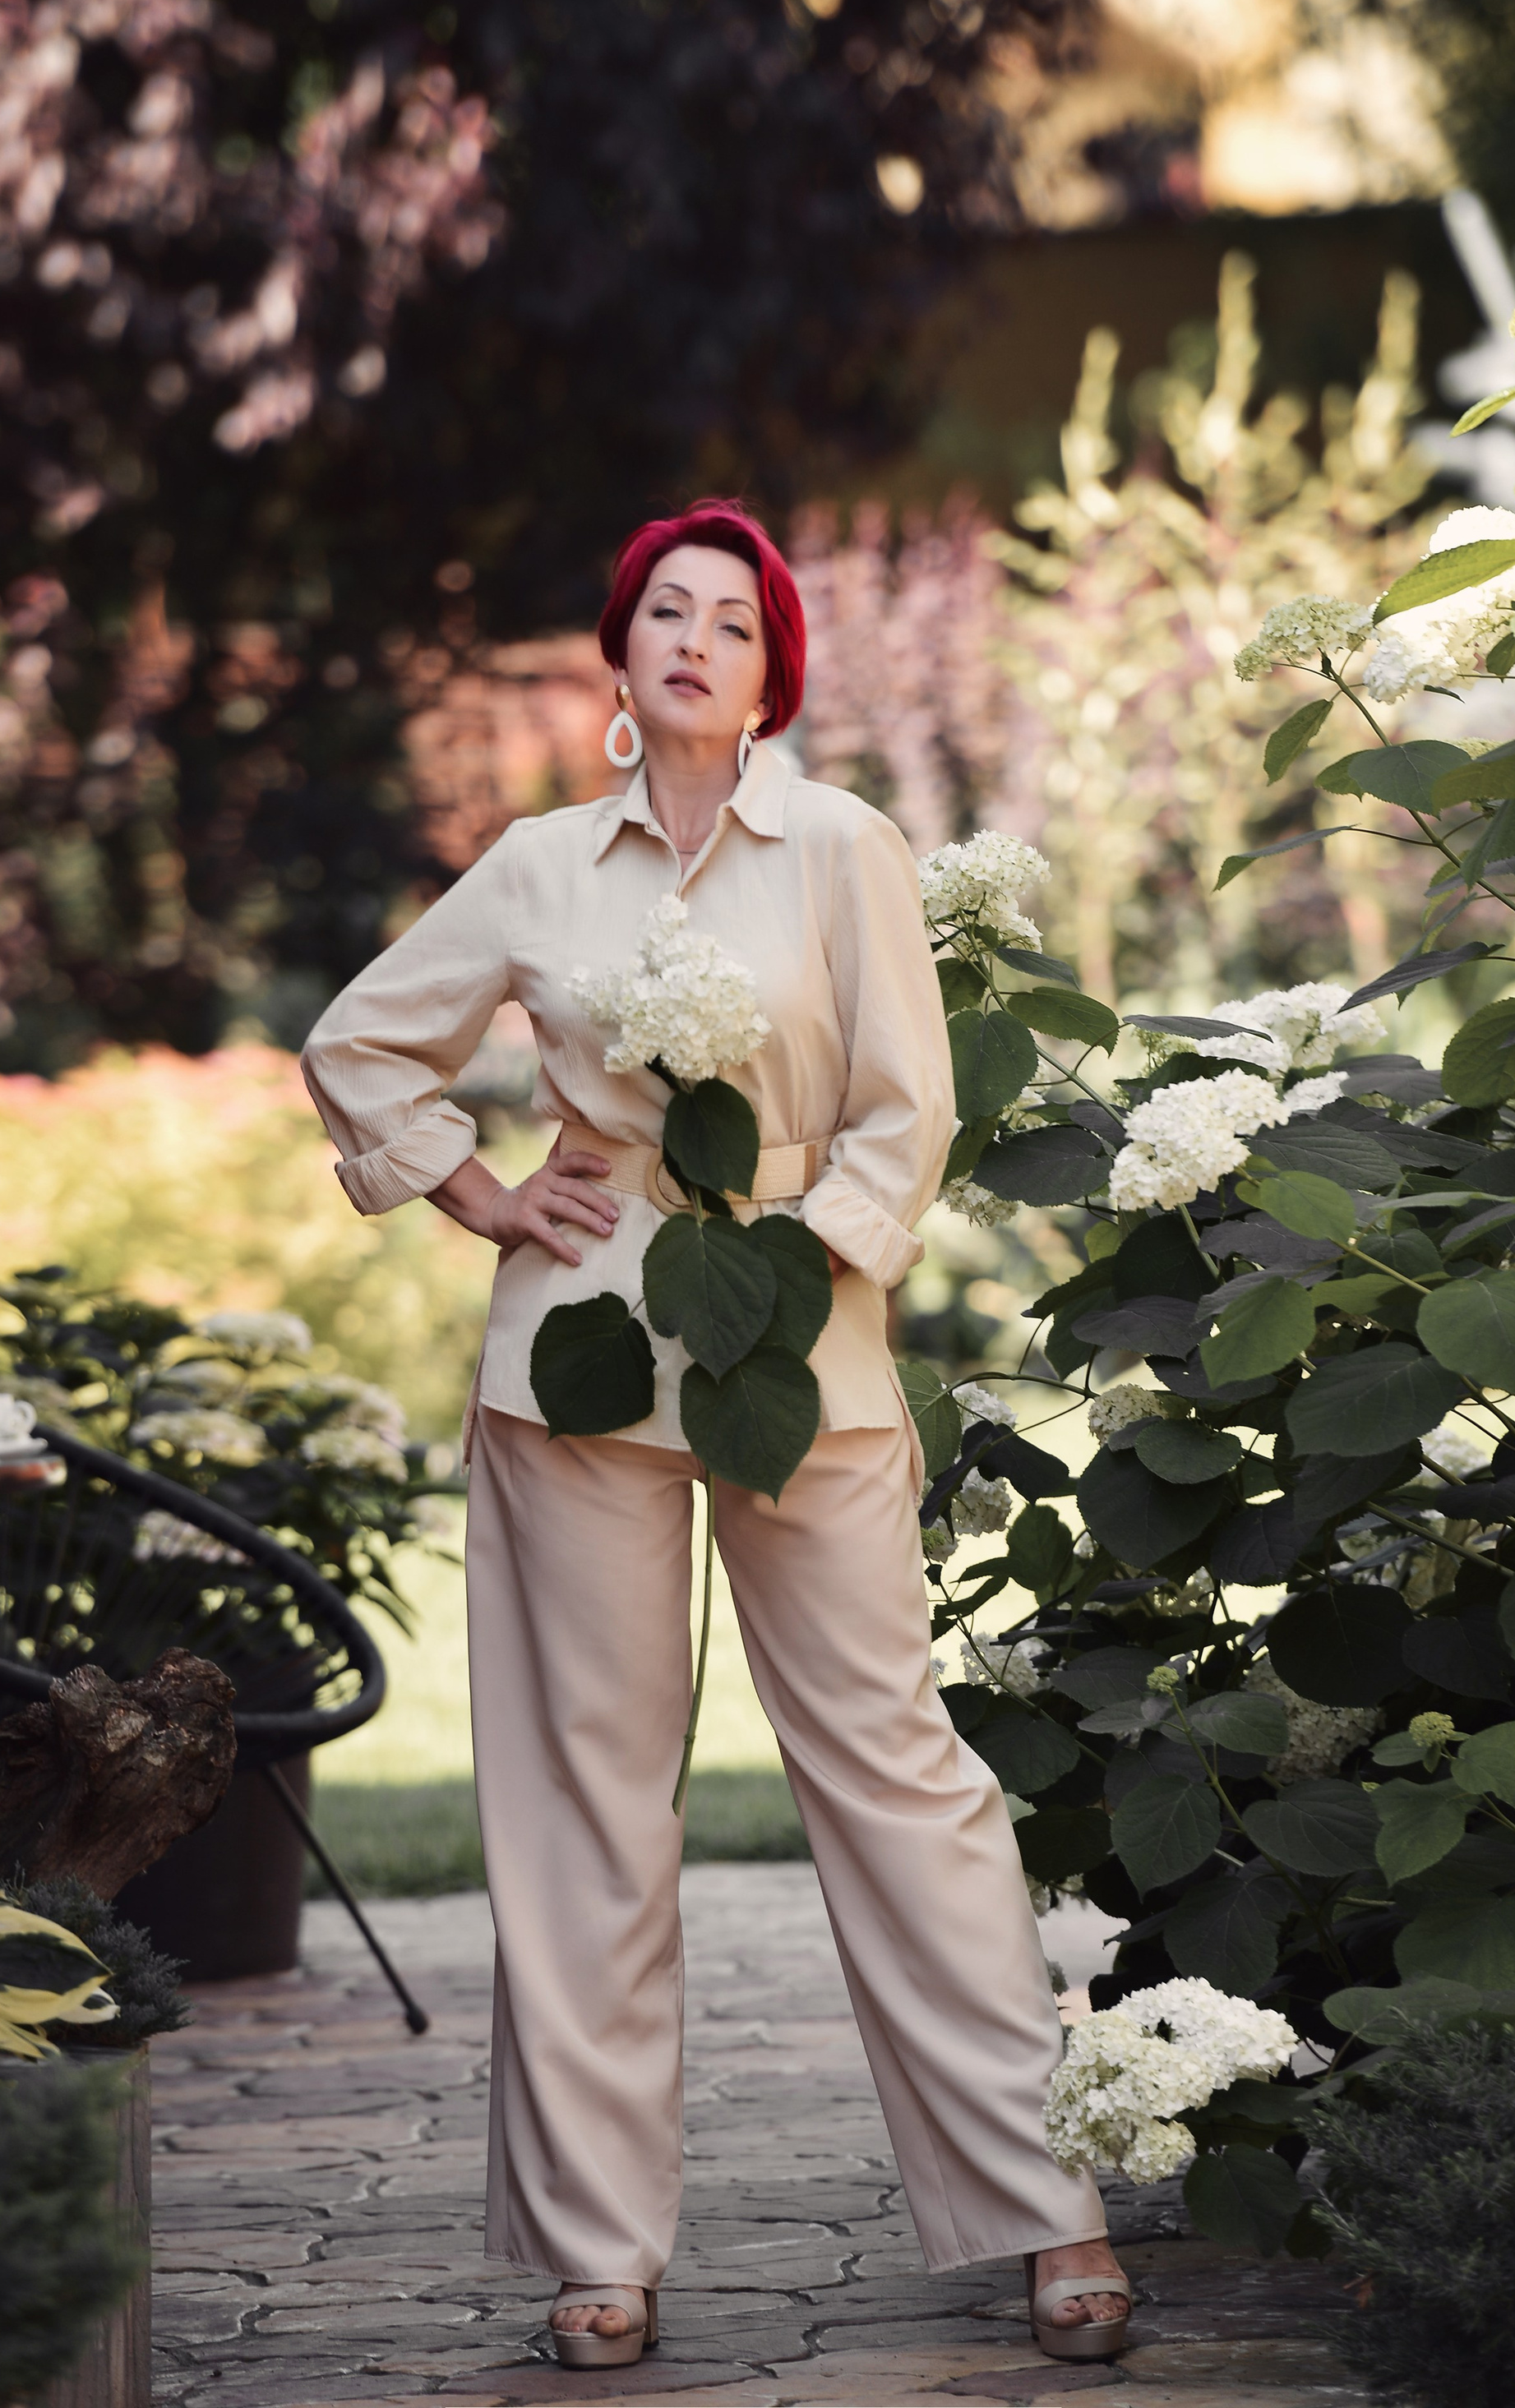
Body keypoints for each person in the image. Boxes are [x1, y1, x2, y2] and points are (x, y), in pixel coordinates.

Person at [300, 500, 1132, 2369]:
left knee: (892, 1771)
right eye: (659, 613)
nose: (690, 640)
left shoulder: (840, 845)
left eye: (730, 623)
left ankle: (1043, 2210)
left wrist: (797, 1269)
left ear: (773, 673)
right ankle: (599, 2245)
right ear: (616, 655)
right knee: (587, 1802)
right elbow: (360, 1047)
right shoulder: (533, 868)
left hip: (800, 1357)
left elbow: (905, 1116)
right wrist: (481, 1195)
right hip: (572, 1370)